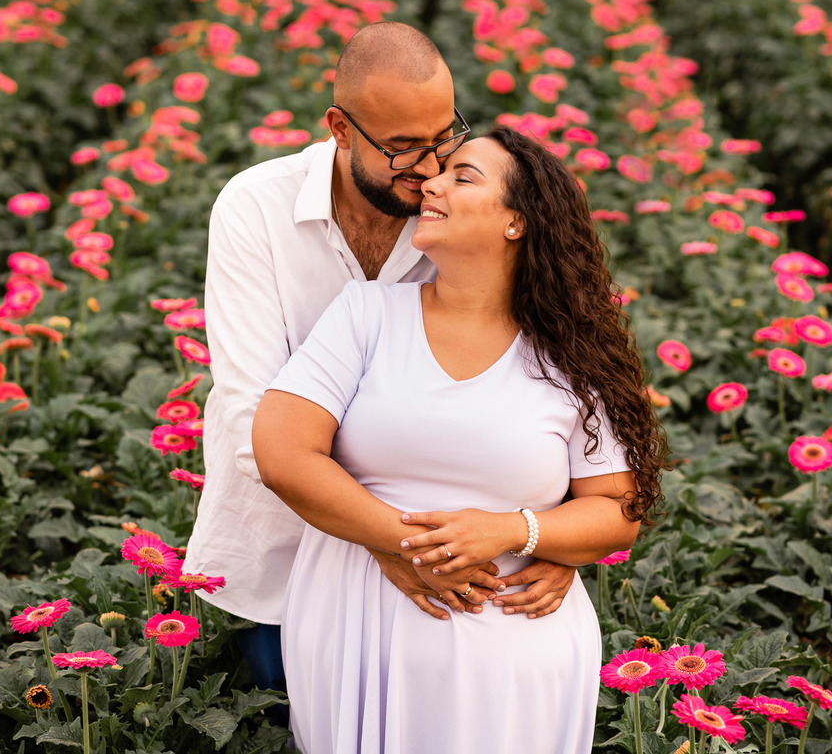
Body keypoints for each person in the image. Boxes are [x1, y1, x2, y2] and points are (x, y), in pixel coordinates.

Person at [183, 23, 578, 705]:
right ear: (339, 127)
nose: (428, 170)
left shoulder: (453, 221)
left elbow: (533, 383)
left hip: (455, 572)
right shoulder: (256, 210)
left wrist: (553, 535)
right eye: (401, 149)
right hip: (285, 557)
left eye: (444, 138)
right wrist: (392, 537)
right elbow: (256, 422)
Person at [252, 126, 668, 753]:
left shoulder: (571, 356)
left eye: (462, 176)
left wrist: (514, 531)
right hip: (359, 628)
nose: (432, 183)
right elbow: (283, 454)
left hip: (517, 654)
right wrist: (400, 540)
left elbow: (616, 512)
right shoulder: (366, 315)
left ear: (516, 223)